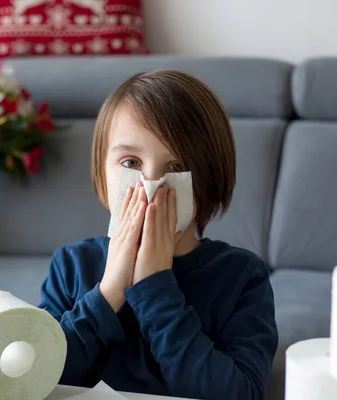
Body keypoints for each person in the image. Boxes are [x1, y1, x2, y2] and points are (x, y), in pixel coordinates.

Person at [39, 70, 278, 400]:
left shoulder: (242, 277)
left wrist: (155, 286)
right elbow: (39, 377)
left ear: (210, 179)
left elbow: (239, 394)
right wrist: (110, 291)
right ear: (102, 171)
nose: (150, 188)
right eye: (131, 162)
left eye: (176, 167)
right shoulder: (70, 265)